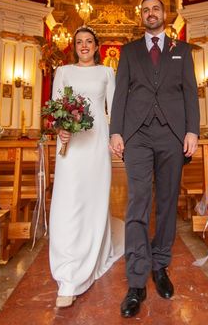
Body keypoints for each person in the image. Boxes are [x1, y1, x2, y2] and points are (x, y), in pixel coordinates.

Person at [109, 0, 199, 318]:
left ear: (164, 15)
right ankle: (136, 280)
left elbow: (190, 91)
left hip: (173, 135)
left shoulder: (182, 50)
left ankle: (160, 266)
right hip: (138, 135)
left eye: (155, 9)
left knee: (167, 202)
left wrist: (193, 131)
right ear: (141, 17)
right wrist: (115, 132)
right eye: (146, 10)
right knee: (137, 204)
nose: (151, 14)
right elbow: (121, 92)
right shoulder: (130, 51)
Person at [49, 26, 124, 308]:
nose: (83, 45)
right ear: (74, 46)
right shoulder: (63, 71)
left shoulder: (106, 73)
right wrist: (60, 129)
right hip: (70, 143)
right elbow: (57, 106)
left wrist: (117, 137)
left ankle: (95, 250)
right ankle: (68, 271)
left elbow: (114, 108)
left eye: (88, 41)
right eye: (79, 41)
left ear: (96, 46)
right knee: (68, 201)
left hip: (96, 142)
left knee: (93, 199)